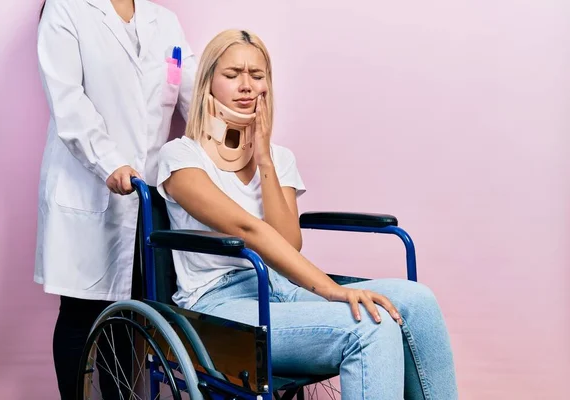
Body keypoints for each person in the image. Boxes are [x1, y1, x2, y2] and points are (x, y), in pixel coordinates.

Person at [156, 29, 459, 399]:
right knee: (371, 328)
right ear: (208, 83)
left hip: (285, 287)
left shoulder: (280, 158)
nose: (246, 86)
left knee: (419, 301)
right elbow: (247, 229)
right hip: (219, 303)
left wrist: (264, 157)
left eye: (257, 75)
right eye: (232, 75)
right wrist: (332, 291)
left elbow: (286, 244)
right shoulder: (181, 157)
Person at [35, 0, 196, 398]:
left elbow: (196, 93)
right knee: (80, 314)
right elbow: (68, 102)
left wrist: (233, 138)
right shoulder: (66, 9)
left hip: (147, 199)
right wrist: (110, 162)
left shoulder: (166, 23)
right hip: (87, 185)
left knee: (129, 316)